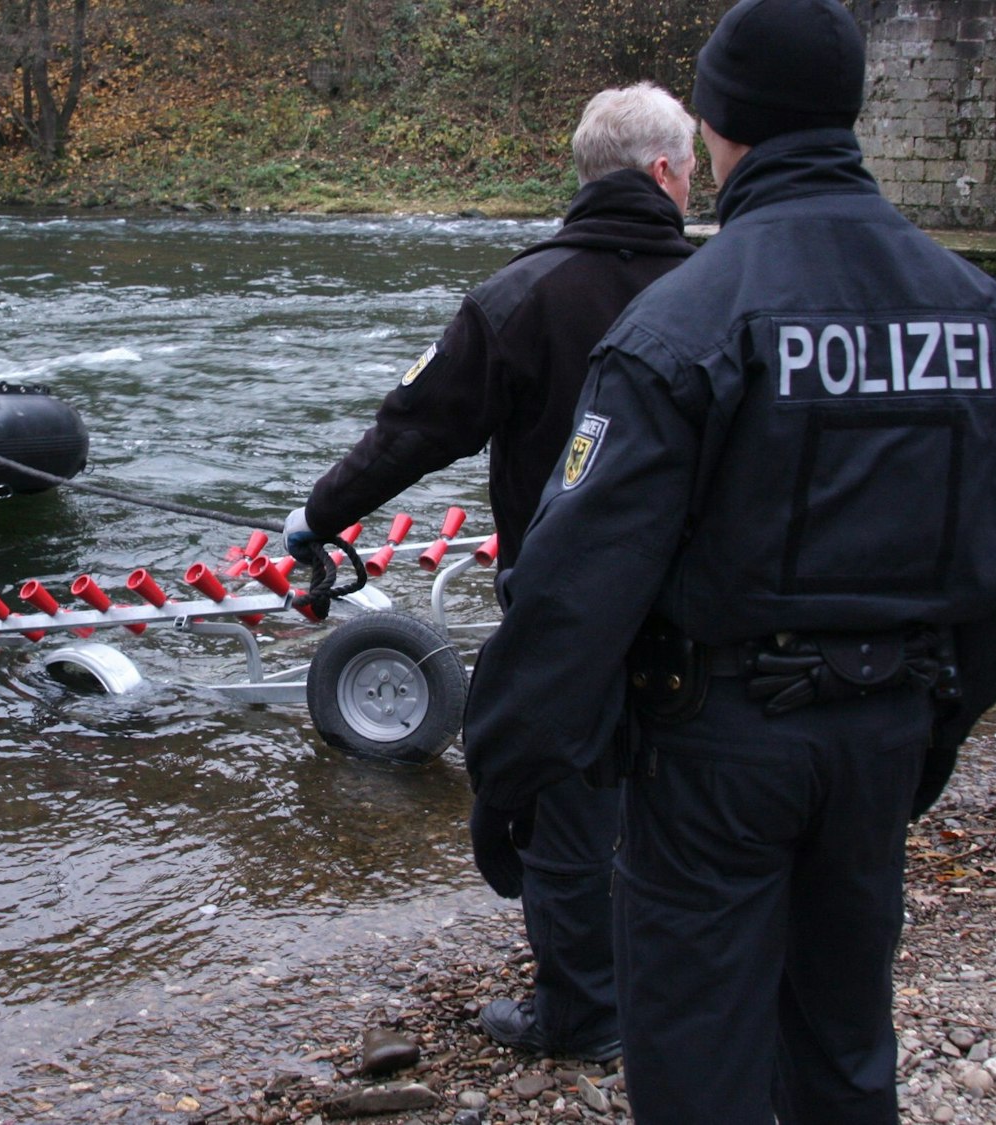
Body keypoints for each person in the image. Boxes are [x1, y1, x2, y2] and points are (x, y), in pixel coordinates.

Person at [458, 0, 996, 1120]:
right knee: (843, 1040)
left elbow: (573, 582)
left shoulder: (683, 322)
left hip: (715, 750)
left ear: (717, 126)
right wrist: (935, 729)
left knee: (698, 1054)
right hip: (884, 727)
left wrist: (509, 768)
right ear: (847, 112)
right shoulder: (984, 317)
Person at [284, 82, 700, 1061]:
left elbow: (412, 430)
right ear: (661, 174)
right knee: (686, 803)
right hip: (704, 608)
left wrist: (316, 516)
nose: (694, 184)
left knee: (564, 805)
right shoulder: (719, 289)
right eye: (690, 170)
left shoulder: (519, 296)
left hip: (567, 610)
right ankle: (690, 991)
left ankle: (584, 1016)